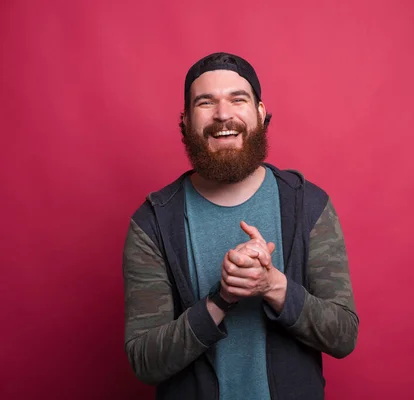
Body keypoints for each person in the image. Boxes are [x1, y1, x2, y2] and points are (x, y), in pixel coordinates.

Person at [122, 52, 359, 400]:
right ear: (185, 121)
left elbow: (342, 336)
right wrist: (221, 299)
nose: (223, 114)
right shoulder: (154, 223)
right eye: (206, 102)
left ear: (260, 113)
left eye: (238, 99)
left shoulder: (307, 205)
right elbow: (145, 362)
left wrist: (273, 286)